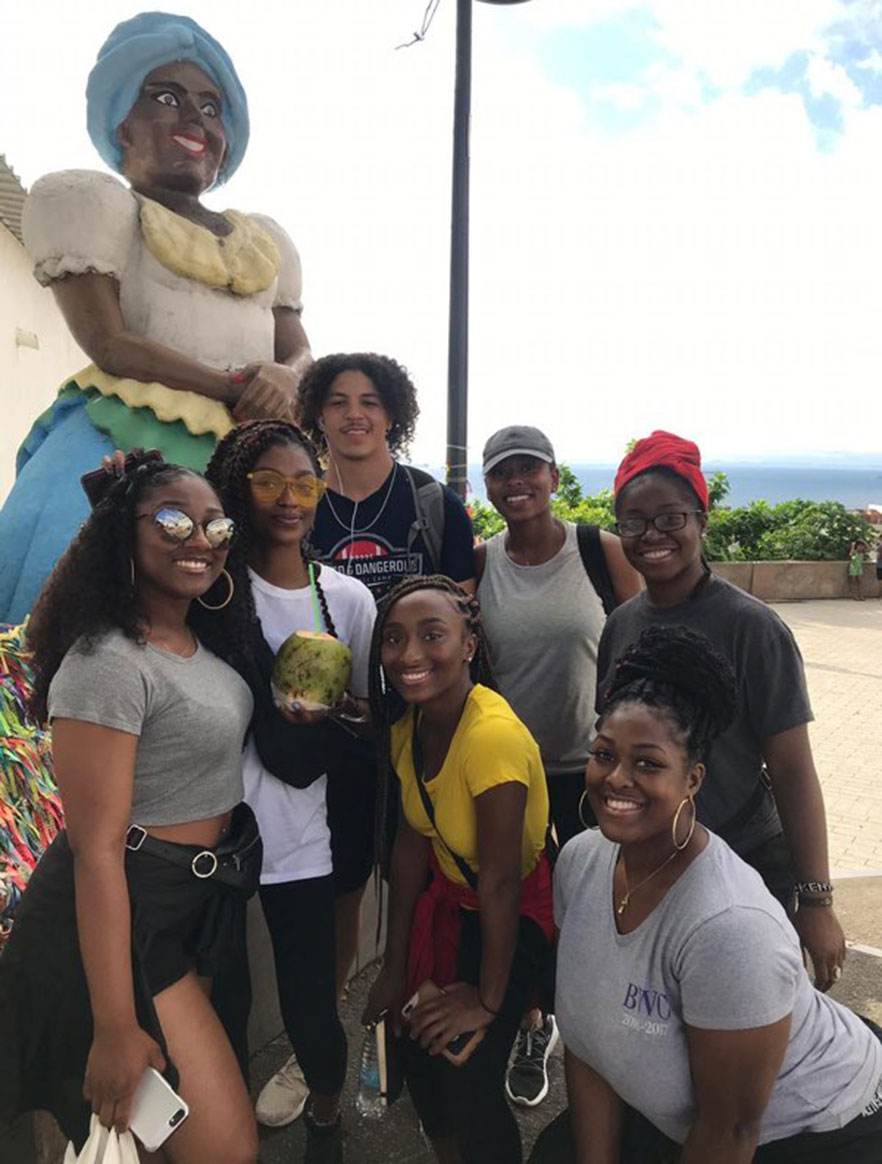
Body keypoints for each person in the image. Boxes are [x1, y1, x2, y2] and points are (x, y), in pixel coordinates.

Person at [0, 11, 311, 624]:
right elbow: (110, 341)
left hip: (248, 441)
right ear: (122, 124)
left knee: (277, 595)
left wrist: (292, 377)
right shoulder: (95, 205)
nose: (194, 117)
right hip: (125, 428)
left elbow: (298, 347)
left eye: (211, 106)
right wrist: (233, 385)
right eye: (166, 97)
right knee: (62, 553)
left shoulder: (267, 240)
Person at [530, 625, 882, 1164]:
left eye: (648, 763)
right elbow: (588, 1041)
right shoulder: (579, 862)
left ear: (692, 779)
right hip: (675, 1119)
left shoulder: (729, 928)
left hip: (809, 1126)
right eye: (604, 755)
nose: (616, 779)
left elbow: (731, 1131)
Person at [0, 458, 261, 1162]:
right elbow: (96, 849)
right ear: (124, 536)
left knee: (147, 1141)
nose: (199, 536)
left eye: (216, 523)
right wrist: (114, 1024)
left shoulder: (201, 648)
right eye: (174, 519)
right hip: (126, 915)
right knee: (223, 1149)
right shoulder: (108, 661)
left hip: (191, 909)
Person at [254, 353, 476, 1127]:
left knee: (437, 883)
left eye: (371, 402)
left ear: (394, 414)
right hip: (338, 743)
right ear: (315, 412)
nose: (356, 415)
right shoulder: (296, 497)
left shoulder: (429, 502)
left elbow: (465, 616)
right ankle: (321, 1046)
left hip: (428, 733)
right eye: (339, 401)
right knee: (342, 895)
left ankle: (438, 1031)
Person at [597, 430, 846, 992]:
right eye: (634, 522)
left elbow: (792, 770)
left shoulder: (751, 628)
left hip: (747, 860)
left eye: (670, 517)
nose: (652, 535)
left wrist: (816, 899)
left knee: (743, 1029)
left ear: (701, 521)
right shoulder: (621, 626)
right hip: (653, 863)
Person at [201, 419, 375, 1161]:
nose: (287, 498)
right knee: (223, 1005)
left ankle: (326, 1121)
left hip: (303, 837)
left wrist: (340, 717)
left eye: (304, 483)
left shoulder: (347, 600)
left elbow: (368, 719)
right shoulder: (209, 592)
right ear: (238, 486)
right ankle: (226, 1130)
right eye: (268, 481)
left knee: (310, 1010)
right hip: (209, 835)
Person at [475, 424, 641, 1108]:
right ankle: (533, 1022)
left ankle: (606, 1040)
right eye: (502, 473)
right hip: (512, 772)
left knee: (595, 908)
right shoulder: (482, 562)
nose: (517, 483)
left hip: (590, 772)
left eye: (529, 470)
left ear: (553, 476)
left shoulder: (597, 550)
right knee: (518, 905)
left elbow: (644, 636)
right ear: (489, 486)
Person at [363, 575, 553, 1164]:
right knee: (417, 1049)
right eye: (394, 638)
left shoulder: (490, 738)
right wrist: (395, 971)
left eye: (432, 635)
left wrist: (488, 1002)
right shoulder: (410, 729)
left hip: (515, 920)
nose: (410, 654)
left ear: (469, 644)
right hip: (452, 907)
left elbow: (499, 881)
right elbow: (411, 846)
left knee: (468, 1078)